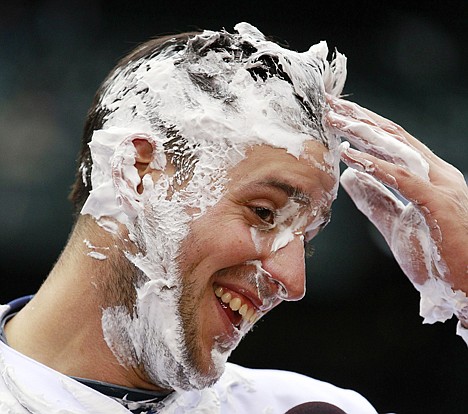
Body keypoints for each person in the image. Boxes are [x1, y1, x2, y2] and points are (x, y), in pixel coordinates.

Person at [0, 22, 466, 413]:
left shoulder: (302, 409)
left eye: (307, 238)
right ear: (138, 171)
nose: (293, 280)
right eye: (264, 213)